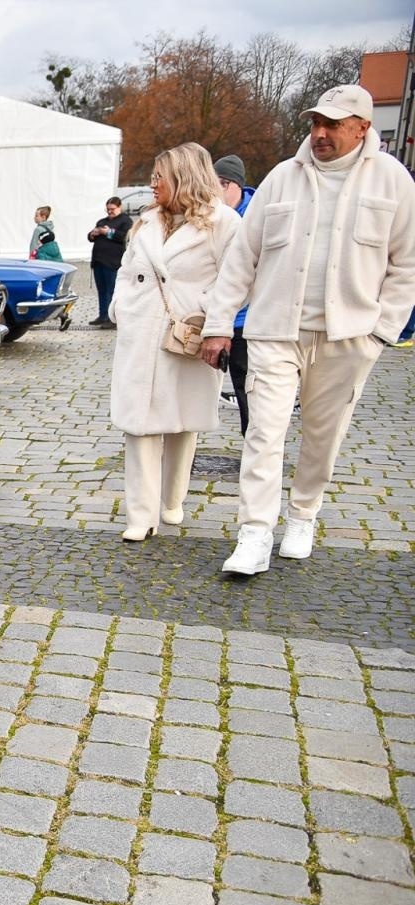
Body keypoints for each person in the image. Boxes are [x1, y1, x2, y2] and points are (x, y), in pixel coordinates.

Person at [200, 84, 415, 575]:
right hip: (276, 330)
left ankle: (303, 514)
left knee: (323, 435)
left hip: (348, 336)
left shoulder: (393, 182)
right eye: (316, 123)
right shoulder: (282, 179)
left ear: (363, 128)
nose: (320, 133)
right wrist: (219, 325)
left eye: (333, 125)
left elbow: (408, 265)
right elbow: (241, 259)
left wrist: (381, 332)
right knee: (264, 431)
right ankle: (254, 532)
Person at [110, 142, 240, 542]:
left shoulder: (223, 222)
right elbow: (127, 269)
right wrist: (122, 307)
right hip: (140, 332)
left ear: (182, 177)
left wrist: (206, 312)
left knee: (182, 424)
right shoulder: (146, 221)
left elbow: (236, 280)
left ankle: (172, 500)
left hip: (186, 335)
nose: (152, 184)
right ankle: (141, 514)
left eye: (158, 176)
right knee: (140, 425)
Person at [213, 154, 256, 433]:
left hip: (247, 322)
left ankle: (252, 446)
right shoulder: (212, 217)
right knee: (200, 389)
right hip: (213, 318)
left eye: (215, 185)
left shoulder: (256, 217)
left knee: (247, 390)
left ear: (230, 185)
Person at [87, 197, 130, 328]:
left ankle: (112, 319)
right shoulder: (102, 221)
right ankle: (103, 315)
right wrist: (93, 234)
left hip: (113, 262)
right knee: (101, 290)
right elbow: (90, 237)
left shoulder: (125, 221)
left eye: (112, 209)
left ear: (119, 207)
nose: (110, 212)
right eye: (108, 209)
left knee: (112, 291)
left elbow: (124, 237)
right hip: (99, 261)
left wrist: (108, 232)